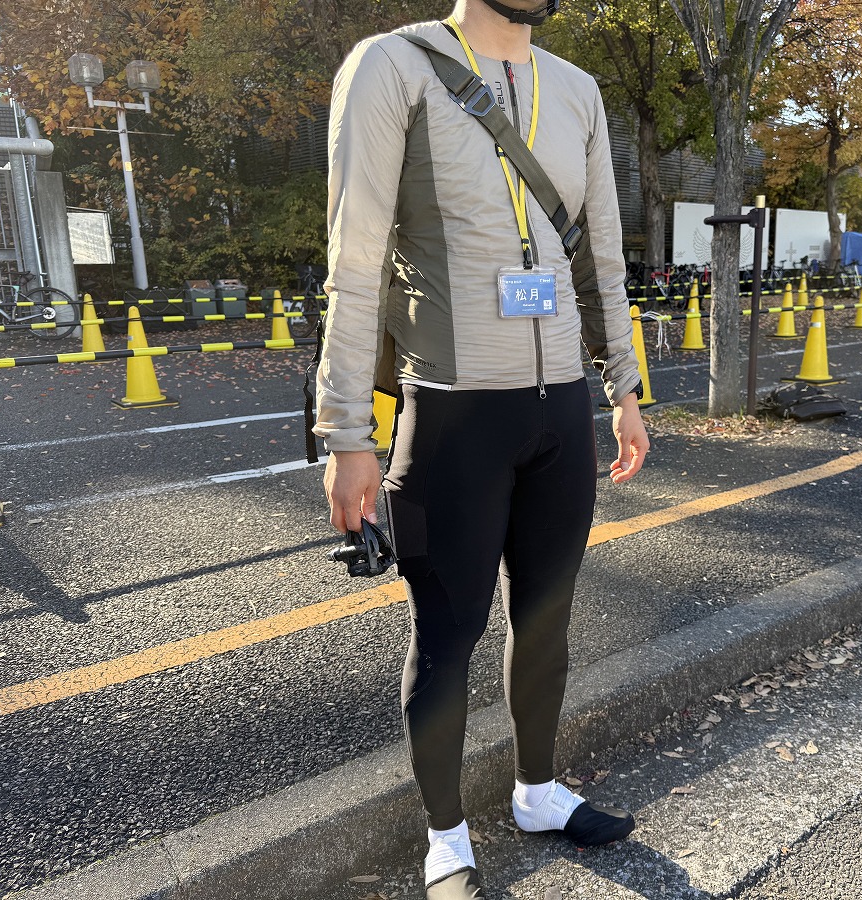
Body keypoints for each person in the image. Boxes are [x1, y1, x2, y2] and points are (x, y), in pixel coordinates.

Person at [315, 1, 650, 896]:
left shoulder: (577, 91)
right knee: (447, 634)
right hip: (452, 415)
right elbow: (354, 258)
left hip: (561, 414)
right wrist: (346, 432)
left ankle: (538, 794)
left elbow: (602, 257)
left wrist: (624, 390)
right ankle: (447, 841)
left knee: (547, 620)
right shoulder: (391, 65)